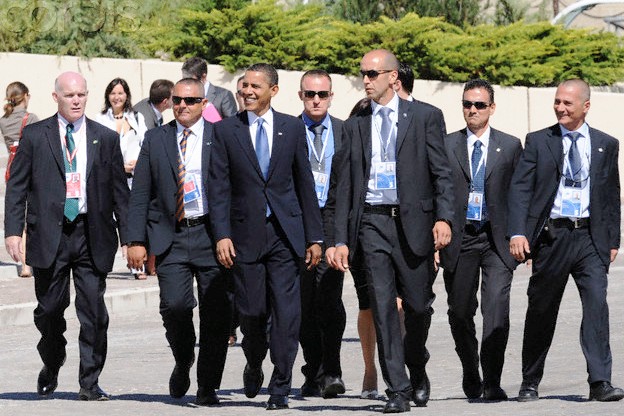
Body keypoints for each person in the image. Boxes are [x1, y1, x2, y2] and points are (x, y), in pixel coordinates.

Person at [331, 49, 454, 413]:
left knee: (417, 306)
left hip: (414, 223)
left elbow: (441, 173)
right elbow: (344, 188)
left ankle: (416, 364)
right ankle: (396, 389)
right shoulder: (354, 126)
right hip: (371, 223)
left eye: (373, 73)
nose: (365, 80)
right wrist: (340, 239)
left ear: (393, 77)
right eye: (363, 74)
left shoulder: (426, 117)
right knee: (383, 306)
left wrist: (443, 218)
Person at [3, 71, 129, 401]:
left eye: (81, 95)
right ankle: (52, 360)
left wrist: (132, 239)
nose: (76, 100)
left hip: (91, 234)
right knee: (48, 311)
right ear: (55, 97)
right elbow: (17, 187)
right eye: (69, 95)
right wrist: (13, 232)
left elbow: (119, 192)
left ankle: (89, 382)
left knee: (94, 314)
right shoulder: (34, 136)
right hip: (50, 236)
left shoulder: (105, 137)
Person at [208, 63, 323, 410]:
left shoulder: (291, 128)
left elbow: (305, 183)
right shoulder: (226, 131)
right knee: (252, 313)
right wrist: (222, 234)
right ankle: (255, 359)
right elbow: (218, 187)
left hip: (286, 235)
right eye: (244, 86)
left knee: (288, 315)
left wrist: (315, 236)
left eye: (255, 86)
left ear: (273, 90)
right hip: (245, 236)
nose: (247, 92)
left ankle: (281, 386)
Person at [509, 78, 624, 402]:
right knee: (542, 310)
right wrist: (518, 232)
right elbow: (520, 189)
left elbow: (611, 193)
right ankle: (530, 381)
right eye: (557, 101)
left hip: (589, 237)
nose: (560, 107)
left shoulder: (606, 143)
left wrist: (613, 239)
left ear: (585, 106)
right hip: (552, 237)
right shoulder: (538, 141)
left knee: (596, 306)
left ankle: (600, 382)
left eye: (567, 103)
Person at [126, 78, 231, 406]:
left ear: (203, 103)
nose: (183, 106)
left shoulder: (221, 137)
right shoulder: (155, 139)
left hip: (211, 235)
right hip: (170, 235)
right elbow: (141, 192)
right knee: (175, 306)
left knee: (216, 313)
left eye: (190, 100)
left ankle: (207, 385)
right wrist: (135, 240)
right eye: (178, 101)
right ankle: (184, 358)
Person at [439, 79, 522, 401]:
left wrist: (520, 235)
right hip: (460, 240)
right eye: (467, 104)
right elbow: (435, 192)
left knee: (496, 311)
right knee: (460, 312)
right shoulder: (446, 145)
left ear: (492, 108)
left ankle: (493, 380)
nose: (472, 110)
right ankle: (471, 372)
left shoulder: (511, 146)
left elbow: (520, 195)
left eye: (479, 105)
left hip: (495, 241)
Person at [296, 69, 346, 399]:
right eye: (310, 94)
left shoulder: (345, 131)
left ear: (331, 96)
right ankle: (312, 369)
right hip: (298, 220)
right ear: (300, 96)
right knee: (302, 303)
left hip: (332, 218)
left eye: (322, 95)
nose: (316, 100)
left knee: (329, 299)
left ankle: (332, 370)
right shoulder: (287, 130)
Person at [96, 78, 149, 279]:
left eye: (120, 93)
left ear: (126, 95)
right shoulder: (100, 119)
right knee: (112, 221)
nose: (117, 97)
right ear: (107, 96)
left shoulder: (137, 117)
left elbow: (146, 144)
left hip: (133, 178)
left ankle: (137, 266)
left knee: (132, 221)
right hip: (110, 179)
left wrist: (138, 163)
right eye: (113, 93)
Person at [0, 81, 39, 278]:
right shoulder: (30, 118)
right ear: (25, 96)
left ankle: (24, 264)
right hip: (30, 169)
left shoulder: (3, 120)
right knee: (29, 214)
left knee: (18, 213)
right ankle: (26, 264)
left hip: (12, 169)